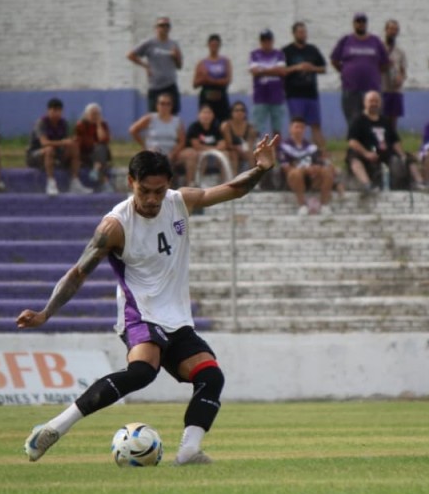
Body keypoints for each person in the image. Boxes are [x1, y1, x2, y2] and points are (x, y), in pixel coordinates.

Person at [18, 134, 281, 466]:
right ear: (131, 182)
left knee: (211, 376)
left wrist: (260, 168)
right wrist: (45, 313)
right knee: (143, 371)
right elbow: (78, 272)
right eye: (145, 191)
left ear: (168, 184)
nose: (152, 199)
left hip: (176, 317)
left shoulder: (180, 201)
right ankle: (55, 427)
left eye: (159, 191)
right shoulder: (115, 226)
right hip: (139, 314)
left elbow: (233, 189)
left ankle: (188, 451)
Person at [331, 13, 389, 127]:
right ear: (354, 24)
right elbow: (334, 60)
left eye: (363, 22)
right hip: (351, 89)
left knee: (374, 119)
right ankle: (354, 143)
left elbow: (385, 63)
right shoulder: (346, 40)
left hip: (372, 89)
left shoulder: (375, 41)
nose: (361, 24)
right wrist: (346, 72)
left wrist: (374, 73)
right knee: (353, 120)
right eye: (358, 22)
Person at [346, 91, 411, 192]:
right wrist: (366, 153)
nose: (374, 104)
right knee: (354, 158)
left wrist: (402, 155)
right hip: (365, 153)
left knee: (407, 158)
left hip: (385, 154)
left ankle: (418, 182)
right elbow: (352, 141)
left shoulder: (385, 121)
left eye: (376, 101)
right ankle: (368, 185)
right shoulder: (358, 120)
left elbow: (395, 141)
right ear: (365, 103)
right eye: (371, 101)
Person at [27, 98, 89, 196]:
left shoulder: (63, 123)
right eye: (54, 111)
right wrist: (62, 142)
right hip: (36, 154)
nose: (56, 114)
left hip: (56, 154)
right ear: (48, 111)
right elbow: (44, 142)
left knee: (74, 148)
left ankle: (74, 182)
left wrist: (71, 141)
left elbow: (66, 141)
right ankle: (51, 182)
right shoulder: (41, 123)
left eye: (59, 111)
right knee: (49, 149)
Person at [282, 22, 328, 152]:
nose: (303, 34)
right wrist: (297, 67)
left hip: (311, 94)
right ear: (294, 33)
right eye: (300, 32)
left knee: (316, 125)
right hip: (294, 95)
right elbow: (281, 71)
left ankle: (322, 155)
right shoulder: (287, 51)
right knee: (297, 125)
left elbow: (323, 68)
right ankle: (294, 152)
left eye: (304, 32)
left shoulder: (312, 50)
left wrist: (312, 68)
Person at [127, 16, 183, 115]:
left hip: (170, 85)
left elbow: (179, 66)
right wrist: (146, 66)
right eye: (161, 25)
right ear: (156, 28)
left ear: (169, 28)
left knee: (173, 114)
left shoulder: (174, 44)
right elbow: (130, 55)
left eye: (167, 25)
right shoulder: (149, 43)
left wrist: (176, 57)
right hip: (155, 86)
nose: (164, 28)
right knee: (154, 116)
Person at [280, 116, 335, 216]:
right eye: (296, 127)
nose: (299, 130)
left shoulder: (310, 147)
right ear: (290, 128)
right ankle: (302, 205)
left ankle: (324, 205)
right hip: (291, 178)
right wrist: (304, 170)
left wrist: (316, 168)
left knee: (327, 170)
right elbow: (286, 167)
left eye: (302, 127)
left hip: (311, 178)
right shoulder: (284, 146)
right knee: (296, 173)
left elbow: (319, 163)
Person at [128, 92, 186, 185]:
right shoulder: (150, 118)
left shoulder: (177, 121)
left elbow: (182, 141)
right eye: (162, 103)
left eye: (168, 104)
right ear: (157, 105)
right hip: (154, 151)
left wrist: (173, 153)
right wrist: (144, 145)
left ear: (172, 106)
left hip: (171, 151)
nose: (165, 106)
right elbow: (133, 130)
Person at [249, 29, 287, 139]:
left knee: (277, 128)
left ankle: (277, 151)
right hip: (260, 96)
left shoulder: (278, 54)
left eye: (268, 40)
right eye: (264, 40)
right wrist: (273, 70)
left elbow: (282, 71)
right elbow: (254, 71)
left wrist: (262, 70)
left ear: (272, 41)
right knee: (256, 128)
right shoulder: (255, 54)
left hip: (277, 96)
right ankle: (256, 150)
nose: (266, 43)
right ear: (260, 42)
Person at [179, 104, 227, 186]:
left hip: (213, 155)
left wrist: (213, 150)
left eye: (209, 113)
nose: (206, 115)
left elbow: (223, 144)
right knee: (199, 156)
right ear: (198, 115)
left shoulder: (215, 128)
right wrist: (214, 149)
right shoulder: (194, 127)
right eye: (204, 113)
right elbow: (196, 146)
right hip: (196, 154)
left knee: (227, 154)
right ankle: (192, 183)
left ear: (213, 115)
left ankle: (226, 183)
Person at [192, 34, 232, 124]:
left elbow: (227, 80)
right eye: (212, 45)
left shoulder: (225, 61)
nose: (214, 47)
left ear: (219, 46)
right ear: (208, 45)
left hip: (221, 98)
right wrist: (204, 79)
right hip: (206, 99)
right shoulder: (202, 63)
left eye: (216, 45)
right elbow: (195, 84)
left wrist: (210, 80)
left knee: (224, 123)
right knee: (206, 123)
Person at [75, 103, 114, 192]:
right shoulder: (81, 125)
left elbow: (104, 139)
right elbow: (83, 142)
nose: (95, 116)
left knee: (102, 148)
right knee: (101, 153)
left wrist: (98, 125)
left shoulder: (103, 125)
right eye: (92, 114)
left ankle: (96, 169)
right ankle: (105, 182)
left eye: (97, 114)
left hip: (99, 154)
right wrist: (95, 143)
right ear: (86, 115)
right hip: (86, 154)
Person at [221, 100, 260, 176]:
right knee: (234, 154)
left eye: (242, 110)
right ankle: (234, 179)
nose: (240, 112)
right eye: (237, 110)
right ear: (231, 113)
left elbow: (250, 145)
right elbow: (228, 144)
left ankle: (253, 178)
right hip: (229, 150)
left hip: (244, 150)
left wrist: (246, 151)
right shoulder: (226, 126)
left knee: (252, 154)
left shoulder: (250, 127)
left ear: (245, 113)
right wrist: (237, 148)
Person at [381, 19, 408, 131]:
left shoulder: (400, 52)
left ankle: (392, 143)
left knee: (393, 120)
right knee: (382, 118)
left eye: (395, 30)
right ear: (386, 30)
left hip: (395, 90)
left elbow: (403, 71)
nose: (393, 32)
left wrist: (400, 79)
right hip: (382, 89)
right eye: (391, 29)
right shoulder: (379, 49)